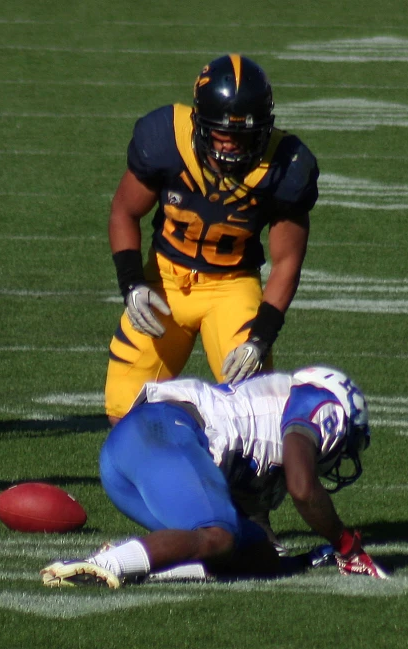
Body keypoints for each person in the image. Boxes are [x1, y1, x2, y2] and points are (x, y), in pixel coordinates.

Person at [105, 53, 319, 425]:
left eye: (242, 137)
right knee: (124, 409)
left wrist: (260, 337)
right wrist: (132, 283)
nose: (230, 148)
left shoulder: (285, 166)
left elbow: (287, 261)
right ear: (199, 123)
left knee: (255, 409)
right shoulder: (167, 138)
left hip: (231, 286)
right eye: (222, 135)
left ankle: (242, 483)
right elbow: (125, 211)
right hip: (164, 281)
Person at [41, 366, 389, 588]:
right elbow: (303, 489)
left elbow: (256, 531)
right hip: (163, 432)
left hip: (133, 458)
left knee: (254, 552)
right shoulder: (321, 403)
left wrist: (303, 559)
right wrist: (347, 546)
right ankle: (101, 565)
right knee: (218, 536)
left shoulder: (265, 442)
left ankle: (130, 561)